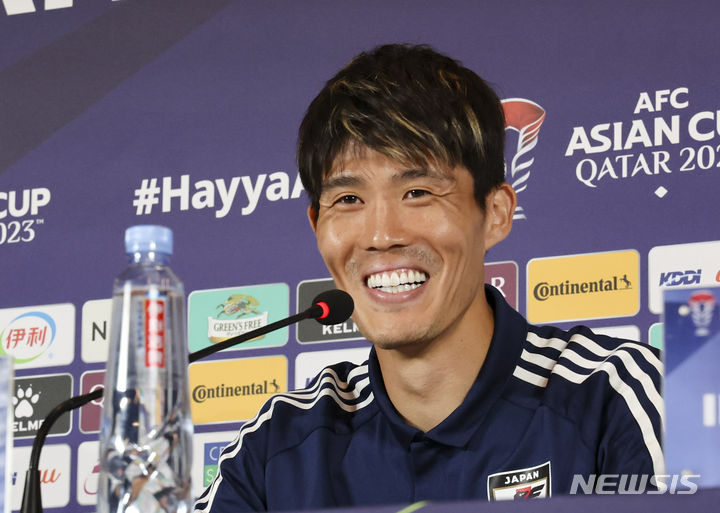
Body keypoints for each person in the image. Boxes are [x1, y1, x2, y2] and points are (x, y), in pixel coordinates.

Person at [194, 44, 663, 512]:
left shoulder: (617, 397)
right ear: (317, 226)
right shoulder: (275, 447)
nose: (381, 236)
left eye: (417, 192)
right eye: (349, 200)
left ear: (496, 213)